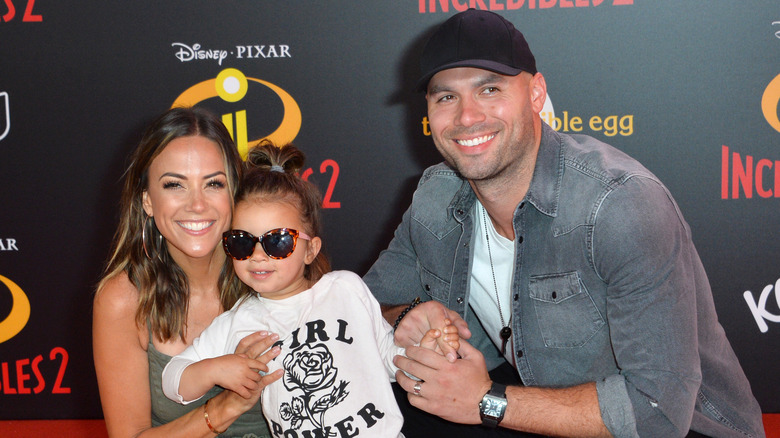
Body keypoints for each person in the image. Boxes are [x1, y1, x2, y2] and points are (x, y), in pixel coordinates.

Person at [363, 8, 766, 438]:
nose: (466, 117)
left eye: (490, 89)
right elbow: (363, 309)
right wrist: (408, 314)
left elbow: (657, 413)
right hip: (538, 401)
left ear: (536, 94)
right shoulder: (434, 194)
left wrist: (485, 401)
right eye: (446, 97)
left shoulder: (620, 206)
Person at [160, 142, 459, 438]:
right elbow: (173, 381)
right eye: (242, 241)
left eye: (278, 241)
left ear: (310, 249)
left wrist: (424, 352)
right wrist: (216, 370)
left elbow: (390, 359)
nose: (258, 254)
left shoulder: (345, 289)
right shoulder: (238, 320)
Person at [93, 107, 281, 437]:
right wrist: (225, 407)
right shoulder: (123, 300)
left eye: (213, 184)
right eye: (175, 185)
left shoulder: (276, 271)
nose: (196, 204)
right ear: (147, 200)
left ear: (234, 193)